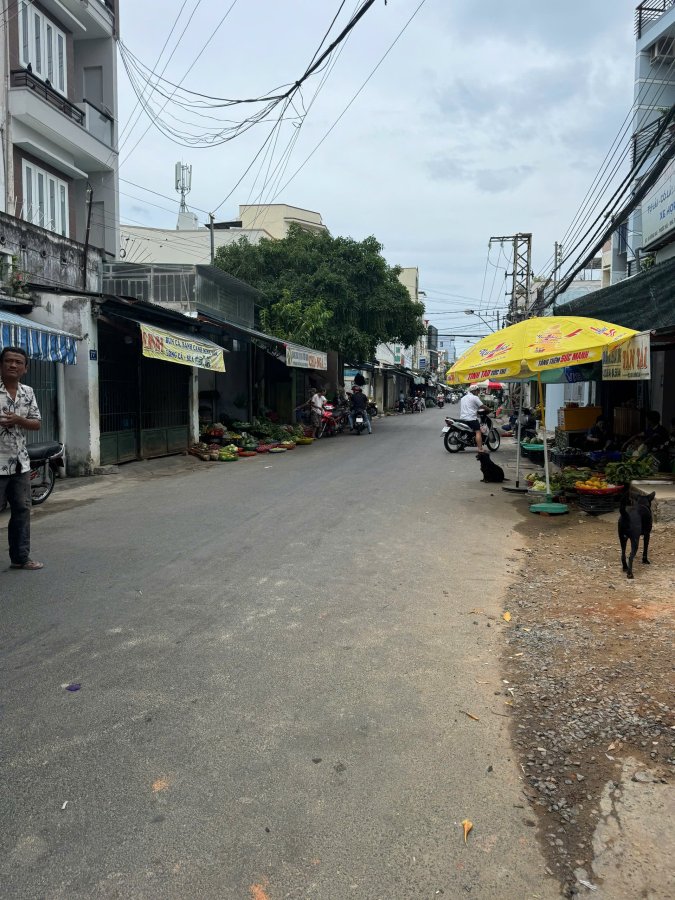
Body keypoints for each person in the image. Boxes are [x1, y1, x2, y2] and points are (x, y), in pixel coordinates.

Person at [0, 346, 43, 570]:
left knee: (22, 511)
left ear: (25, 368)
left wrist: (19, 420)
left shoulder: (28, 392)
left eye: (18, 362)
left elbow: (36, 423)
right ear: (1, 364)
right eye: (9, 361)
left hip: (20, 464)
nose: (13, 365)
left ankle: (20, 558)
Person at [459, 383, 486, 452]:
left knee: (464, 432)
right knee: (478, 431)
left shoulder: (463, 398)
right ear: (474, 391)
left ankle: (461, 446)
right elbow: (482, 406)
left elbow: (471, 406)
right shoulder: (475, 398)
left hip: (462, 418)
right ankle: (480, 448)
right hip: (471, 418)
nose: (478, 392)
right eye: (477, 391)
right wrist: (488, 409)